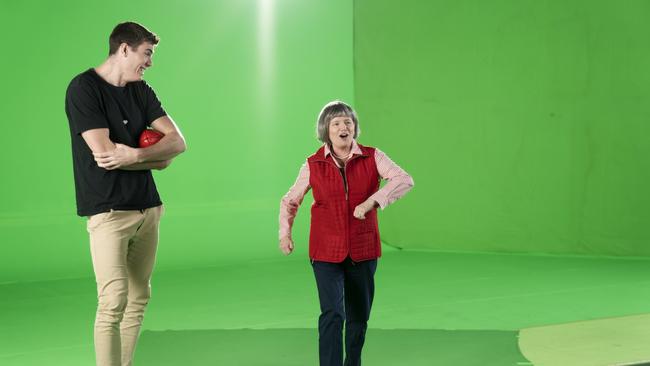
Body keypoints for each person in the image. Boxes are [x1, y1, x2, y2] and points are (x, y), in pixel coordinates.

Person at [64, 21, 186, 366]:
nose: (149, 62)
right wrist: (154, 159)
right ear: (124, 49)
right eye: (146, 53)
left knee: (139, 296)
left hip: (148, 207)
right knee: (113, 298)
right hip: (108, 210)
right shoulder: (83, 88)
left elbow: (179, 142)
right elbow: (103, 155)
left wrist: (135, 155)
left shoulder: (142, 91)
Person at [279, 100, 414, 366]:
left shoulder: (373, 156)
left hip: (363, 249)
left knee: (358, 316)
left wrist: (372, 201)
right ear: (326, 130)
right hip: (325, 250)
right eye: (336, 123)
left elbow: (404, 179)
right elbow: (290, 200)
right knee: (332, 314)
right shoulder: (312, 164)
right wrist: (285, 233)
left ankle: (353, 362)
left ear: (354, 128)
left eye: (348, 122)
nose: (344, 127)